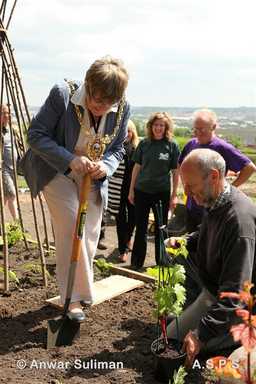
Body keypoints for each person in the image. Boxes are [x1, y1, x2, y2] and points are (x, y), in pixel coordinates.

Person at [20, 56, 130, 322]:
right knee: (72, 226)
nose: (98, 105)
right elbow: (35, 135)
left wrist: (106, 165)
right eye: (95, 96)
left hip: (92, 176)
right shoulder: (63, 94)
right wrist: (70, 159)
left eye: (107, 102)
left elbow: (118, 148)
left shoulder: (123, 109)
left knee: (90, 235)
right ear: (88, 84)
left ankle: (79, 291)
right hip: (55, 169)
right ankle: (73, 300)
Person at [167, 148, 256, 365]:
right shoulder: (215, 200)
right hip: (213, 290)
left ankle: (242, 336)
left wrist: (200, 334)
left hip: (241, 305)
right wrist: (186, 241)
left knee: (177, 341)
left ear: (214, 176)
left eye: (190, 185)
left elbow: (236, 294)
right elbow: (206, 229)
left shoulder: (239, 223)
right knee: (171, 334)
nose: (186, 192)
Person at [179, 109, 256, 232]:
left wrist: (231, 189)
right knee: (190, 244)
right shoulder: (191, 145)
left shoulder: (222, 147)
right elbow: (181, 166)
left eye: (202, 129)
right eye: (195, 129)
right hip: (192, 207)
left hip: (212, 208)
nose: (198, 133)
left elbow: (249, 168)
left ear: (213, 127)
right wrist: (186, 185)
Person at [128, 112, 180, 269]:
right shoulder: (144, 144)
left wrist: (174, 195)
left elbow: (176, 172)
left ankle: (161, 261)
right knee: (141, 228)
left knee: (161, 228)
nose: (158, 128)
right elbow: (136, 168)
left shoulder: (172, 145)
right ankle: (137, 263)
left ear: (166, 127)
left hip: (161, 193)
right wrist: (131, 190)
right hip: (142, 191)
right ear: (151, 126)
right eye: (156, 125)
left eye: (161, 125)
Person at [108, 119, 139, 262]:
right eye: (124, 131)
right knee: (120, 218)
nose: (126, 134)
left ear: (133, 133)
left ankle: (129, 239)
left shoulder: (137, 149)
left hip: (133, 189)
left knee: (133, 217)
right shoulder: (114, 148)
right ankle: (123, 249)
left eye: (129, 131)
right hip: (117, 188)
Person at [1, 105, 18, 221]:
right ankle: (17, 223)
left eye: (8, 113)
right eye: (3, 113)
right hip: (3, 168)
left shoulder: (12, 129)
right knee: (11, 194)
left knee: (5, 198)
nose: (7, 116)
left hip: (14, 167)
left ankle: (2, 225)